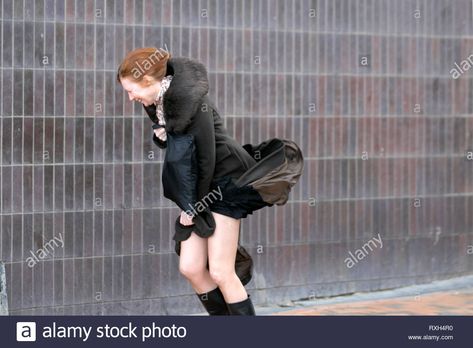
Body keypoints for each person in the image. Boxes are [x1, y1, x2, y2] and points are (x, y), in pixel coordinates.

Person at [117, 47, 304, 315]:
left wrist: (192, 207)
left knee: (220, 270)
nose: (130, 97)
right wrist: (163, 138)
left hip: (225, 182)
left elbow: (205, 158)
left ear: (149, 81)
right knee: (191, 267)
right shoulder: (159, 101)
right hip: (199, 187)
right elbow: (183, 150)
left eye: (131, 90)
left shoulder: (191, 101)